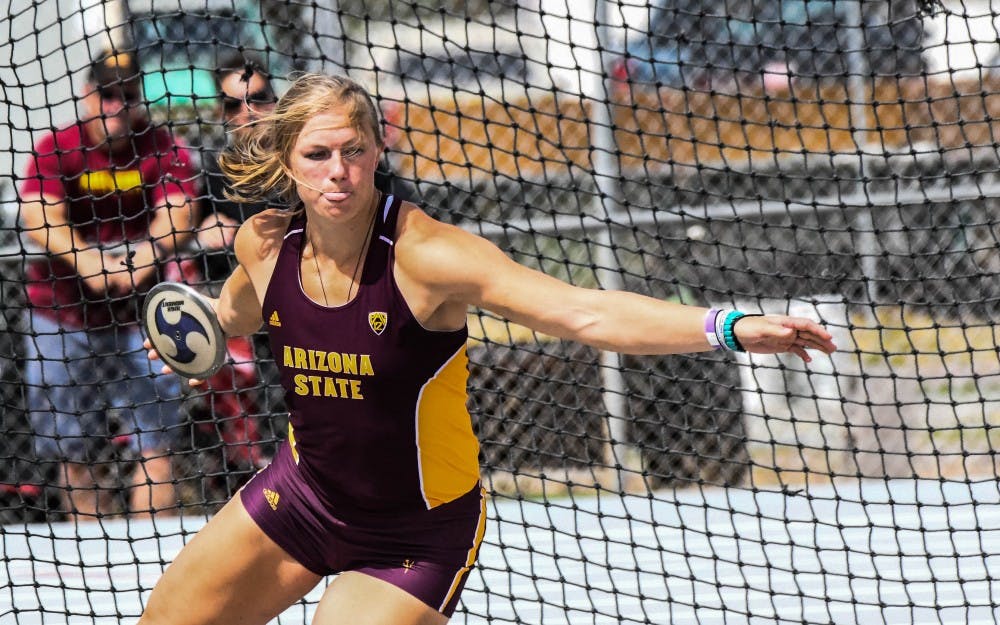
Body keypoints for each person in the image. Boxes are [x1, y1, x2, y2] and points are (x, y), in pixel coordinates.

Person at [138, 72, 836, 625]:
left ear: (379, 151)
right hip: (303, 495)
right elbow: (232, 311)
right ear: (288, 162)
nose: (338, 172)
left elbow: (583, 313)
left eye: (354, 151)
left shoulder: (429, 255)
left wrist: (725, 326)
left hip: (414, 532)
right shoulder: (262, 242)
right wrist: (188, 331)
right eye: (317, 155)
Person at [18, 48, 198, 520]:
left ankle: (153, 567)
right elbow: (39, 215)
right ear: (87, 94)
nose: (117, 105)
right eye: (107, 94)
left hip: (141, 318)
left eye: (127, 95)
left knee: (157, 445)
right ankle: (95, 572)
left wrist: (150, 252)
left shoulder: (162, 146)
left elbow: (180, 210)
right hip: (62, 315)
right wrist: (86, 261)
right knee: (74, 451)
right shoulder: (57, 145)